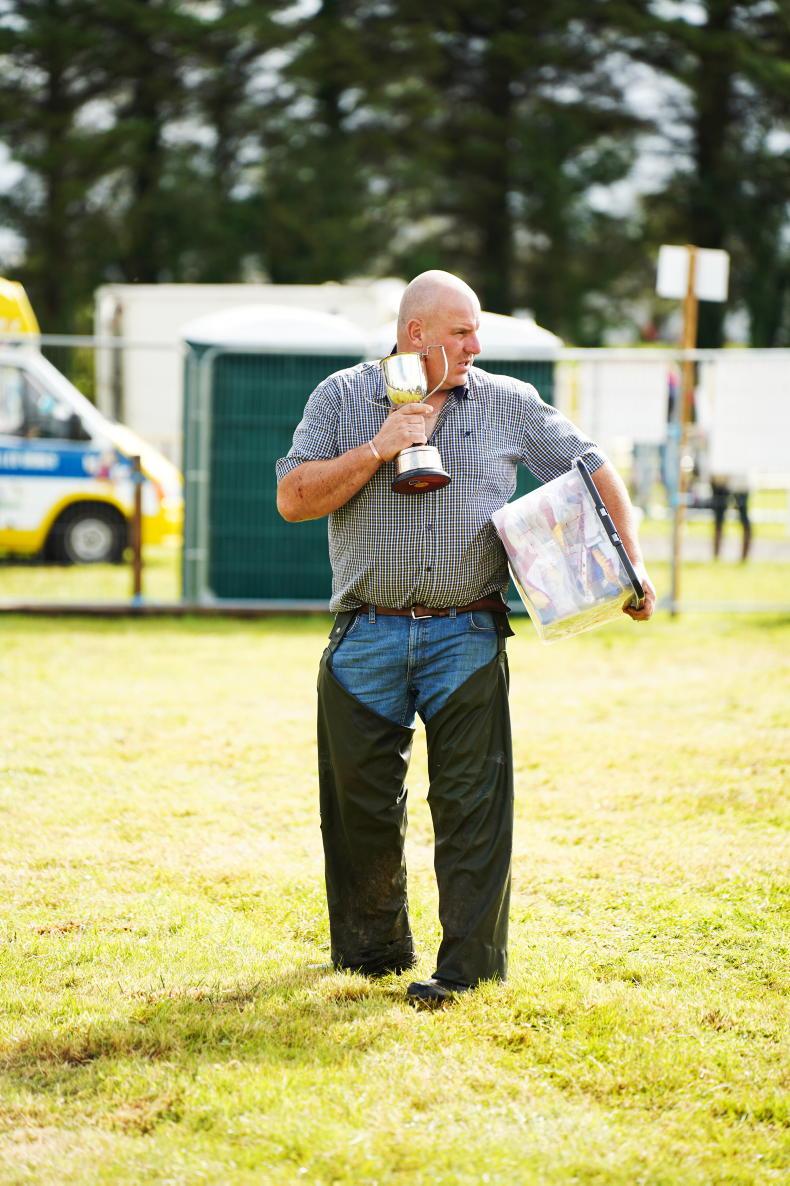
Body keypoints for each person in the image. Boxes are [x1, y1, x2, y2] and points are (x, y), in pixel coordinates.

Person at [276, 270, 656, 1009]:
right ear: (416, 334)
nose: (477, 345)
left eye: (477, 331)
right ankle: (371, 955)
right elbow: (293, 498)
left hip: (468, 632)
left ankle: (467, 971)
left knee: (473, 807)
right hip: (366, 631)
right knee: (359, 809)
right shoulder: (341, 396)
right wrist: (379, 447)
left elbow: (591, 467)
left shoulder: (506, 401)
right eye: (462, 332)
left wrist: (629, 563)